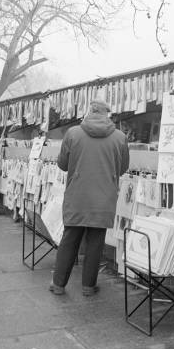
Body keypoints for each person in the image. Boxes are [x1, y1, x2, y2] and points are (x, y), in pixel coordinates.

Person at [50, 100, 129, 296]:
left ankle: (59, 285)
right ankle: (88, 286)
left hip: (77, 195)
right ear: (107, 115)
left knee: (69, 240)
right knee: (95, 242)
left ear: (89, 112)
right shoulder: (120, 137)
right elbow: (123, 168)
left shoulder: (73, 133)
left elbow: (62, 164)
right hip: (104, 197)